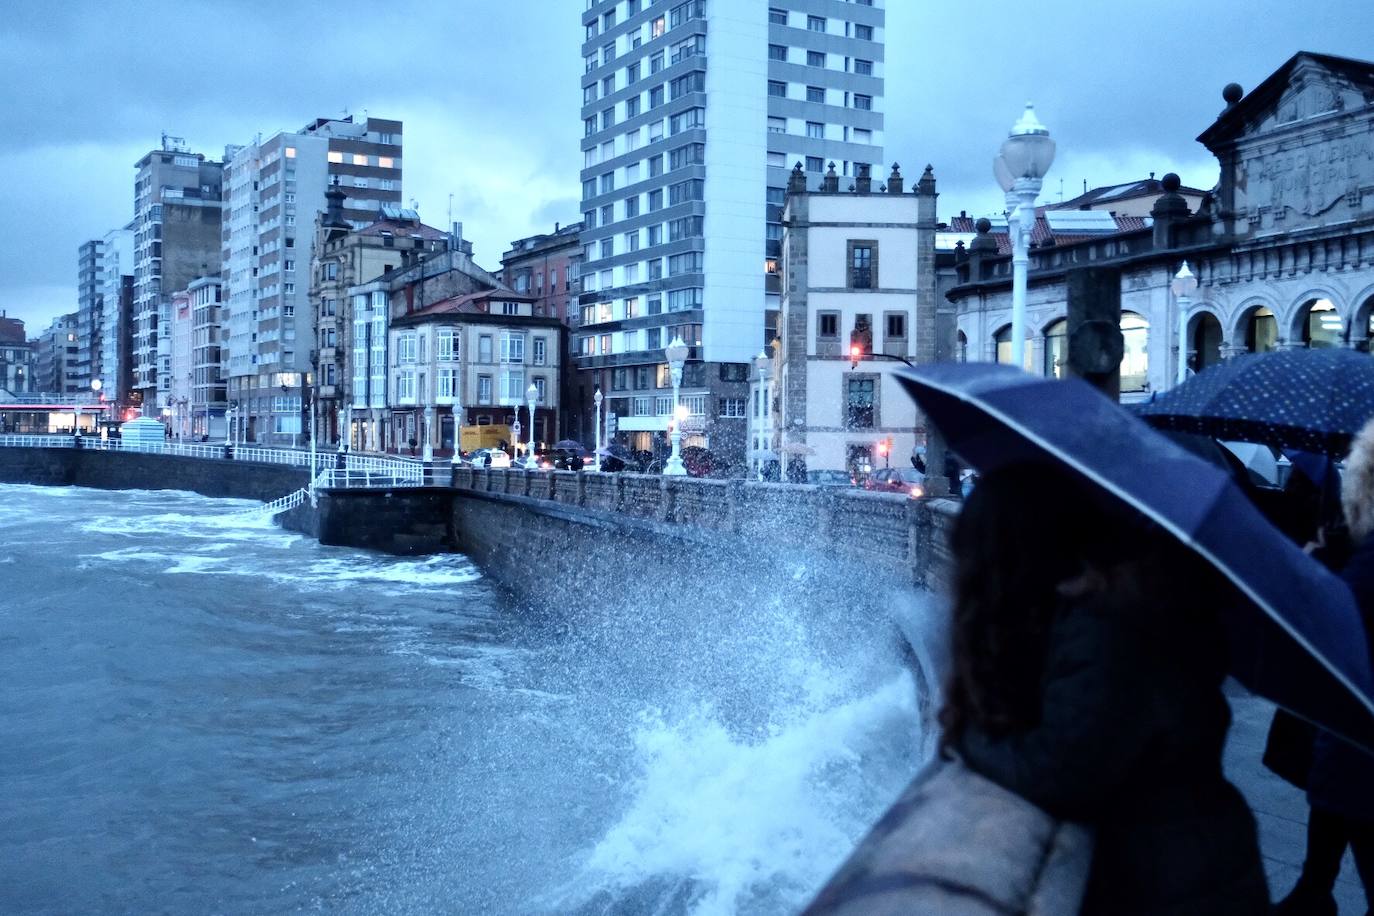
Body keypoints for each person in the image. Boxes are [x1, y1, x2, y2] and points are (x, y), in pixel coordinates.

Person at [943, 463, 1269, 915]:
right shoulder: (1113, 608)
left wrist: (965, 738)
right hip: (1195, 863)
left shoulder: (1107, 629)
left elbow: (1057, 772)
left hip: (1179, 885)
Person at [1278, 423, 1374, 914]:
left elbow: (1329, 638)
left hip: (1357, 744)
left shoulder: (1366, 565)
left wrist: (1319, 572)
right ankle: (1314, 889)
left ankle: (1313, 892)